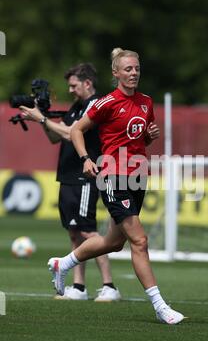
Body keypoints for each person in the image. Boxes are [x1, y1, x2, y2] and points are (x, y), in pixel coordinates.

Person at [47, 48, 185, 324]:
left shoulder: (146, 102)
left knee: (113, 243)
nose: (133, 73)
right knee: (140, 241)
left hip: (137, 176)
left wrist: (148, 138)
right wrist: (86, 158)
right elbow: (76, 130)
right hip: (112, 176)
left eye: (136, 68)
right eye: (128, 69)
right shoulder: (106, 102)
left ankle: (64, 264)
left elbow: (134, 142)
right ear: (116, 73)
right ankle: (160, 306)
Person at [19, 63, 121, 302]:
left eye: (74, 85)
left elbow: (70, 133)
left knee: (88, 230)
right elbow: (57, 136)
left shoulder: (95, 105)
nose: (71, 89)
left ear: (87, 83)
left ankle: (109, 286)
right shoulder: (76, 106)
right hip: (68, 175)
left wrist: (43, 119)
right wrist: (40, 118)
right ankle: (79, 286)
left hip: (86, 175)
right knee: (74, 232)